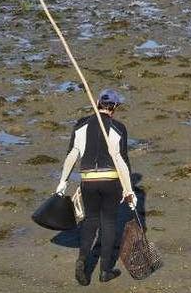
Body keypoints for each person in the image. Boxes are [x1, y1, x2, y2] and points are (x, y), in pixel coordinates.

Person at [55, 89, 137, 285]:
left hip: (88, 180)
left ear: (98, 102)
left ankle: (82, 261)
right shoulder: (118, 128)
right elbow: (121, 161)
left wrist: (62, 182)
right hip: (111, 181)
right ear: (115, 107)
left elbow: (72, 155)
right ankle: (105, 271)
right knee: (108, 223)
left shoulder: (81, 125)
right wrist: (129, 191)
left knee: (90, 221)